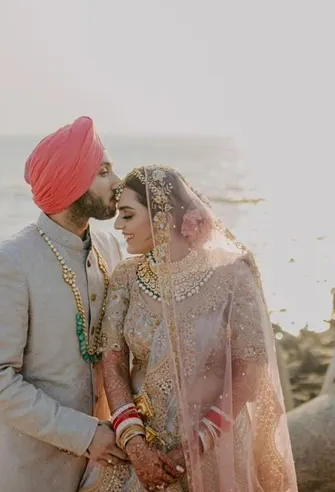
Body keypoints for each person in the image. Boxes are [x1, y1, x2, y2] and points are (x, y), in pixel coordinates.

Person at [79, 165, 298, 491]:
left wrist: (194, 447)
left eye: (128, 215)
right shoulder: (127, 277)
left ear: (163, 216)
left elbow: (249, 369)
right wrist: (135, 444)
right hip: (140, 445)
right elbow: (113, 362)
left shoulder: (231, 274)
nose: (118, 225)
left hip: (216, 448)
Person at [0, 116, 128, 492]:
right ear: (72, 182)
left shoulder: (109, 248)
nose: (118, 182)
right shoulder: (9, 262)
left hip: (107, 469)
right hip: (34, 473)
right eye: (104, 171)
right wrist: (85, 434)